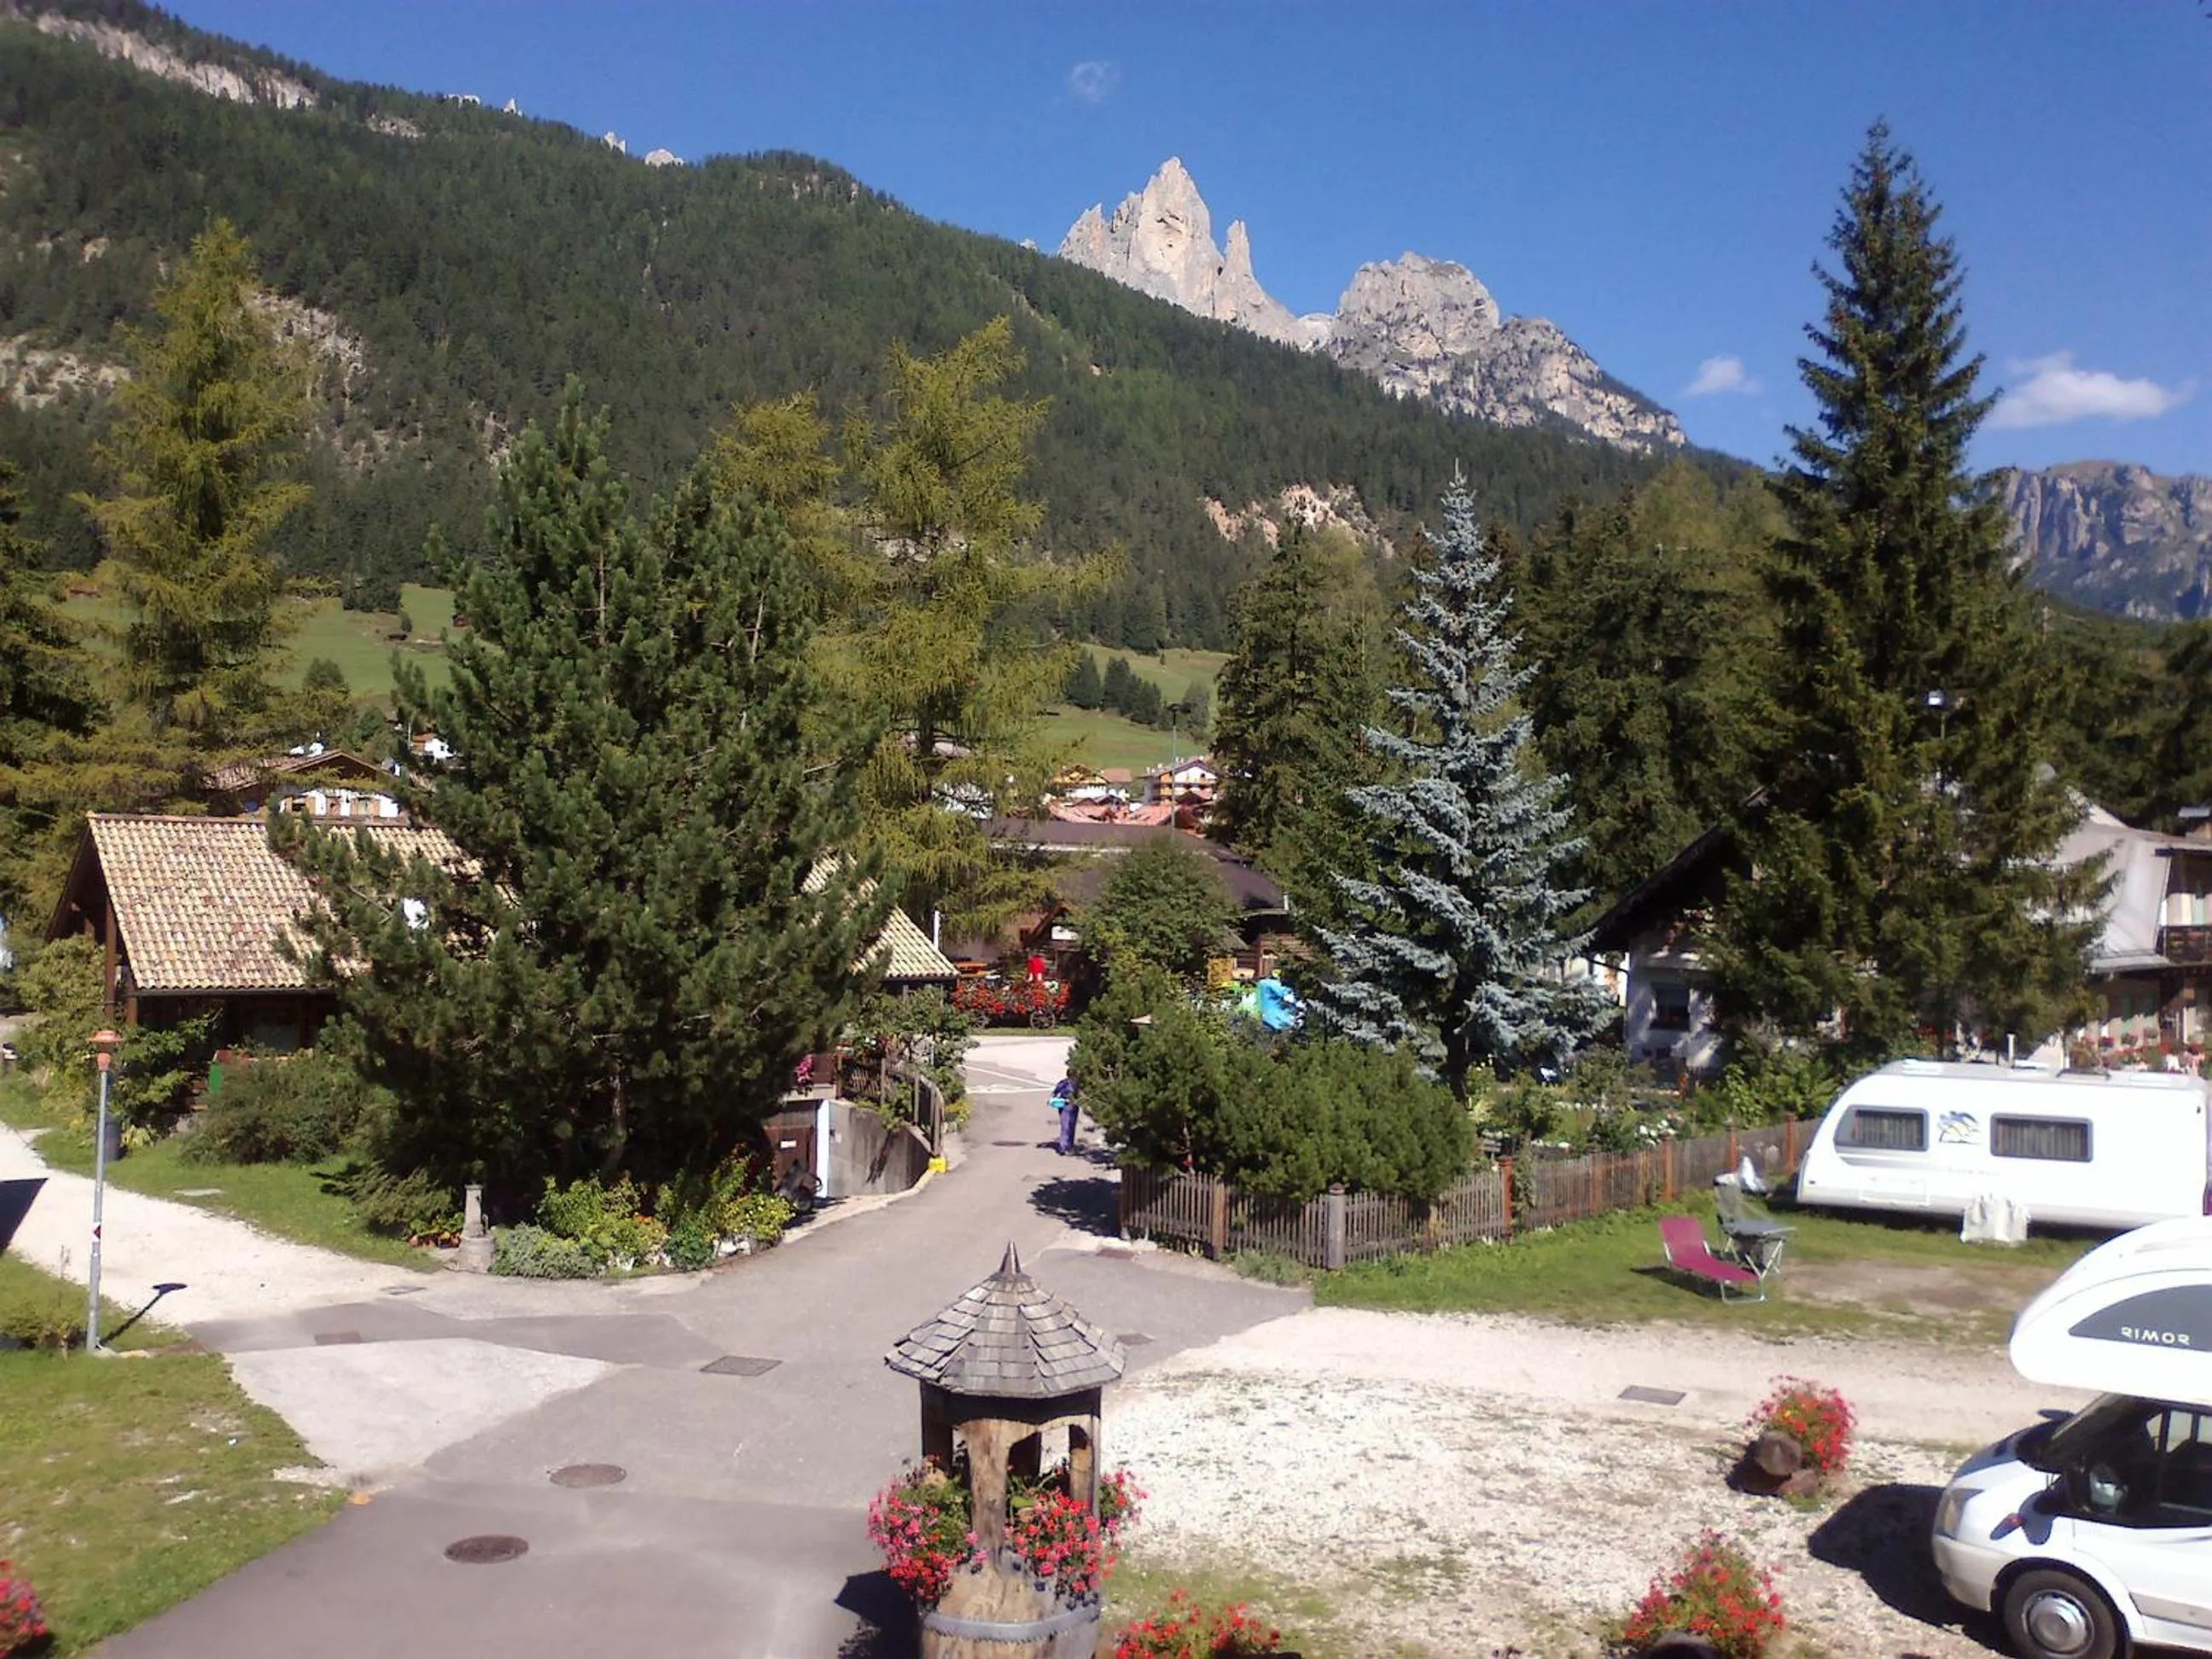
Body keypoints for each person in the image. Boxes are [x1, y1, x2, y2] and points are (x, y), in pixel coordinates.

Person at [1052, 1074, 1080, 1156]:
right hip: (1071, 1105)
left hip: (1062, 1105)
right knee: (1070, 1126)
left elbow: (1055, 1092)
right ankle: (1066, 1147)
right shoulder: (1074, 1083)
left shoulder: (1063, 1082)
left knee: (1065, 1126)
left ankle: (1065, 1146)